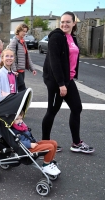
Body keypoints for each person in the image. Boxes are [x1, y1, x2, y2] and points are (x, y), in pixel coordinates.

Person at [42, 11, 94, 154]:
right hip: (56, 81)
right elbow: (55, 61)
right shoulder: (56, 37)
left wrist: (68, 79)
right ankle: (45, 143)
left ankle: (76, 143)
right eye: (62, 22)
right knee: (52, 111)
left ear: (74, 23)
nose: (64, 24)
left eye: (68, 22)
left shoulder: (72, 38)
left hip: (68, 80)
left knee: (77, 108)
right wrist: (60, 84)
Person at [12, 111, 61, 176]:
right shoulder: (13, 131)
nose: (20, 121)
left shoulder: (22, 127)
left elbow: (29, 136)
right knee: (50, 147)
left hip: (33, 143)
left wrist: (34, 141)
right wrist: (29, 144)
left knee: (54, 143)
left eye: (21, 119)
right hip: (27, 148)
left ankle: (49, 161)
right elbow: (16, 142)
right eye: (17, 119)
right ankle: (45, 166)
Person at [8, 24, 36, 92]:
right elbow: (11, 57)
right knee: (22, 89)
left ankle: (19, 102)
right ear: (18, 31)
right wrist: (14, 71)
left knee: (19, 89)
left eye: (26, 31)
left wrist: (32, 69)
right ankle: (21, 102)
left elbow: (27, 56)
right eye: (23, 31)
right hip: (17, 71)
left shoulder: (23, 42)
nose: (24, 33)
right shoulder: (14, 42)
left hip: (22, 70)